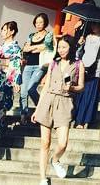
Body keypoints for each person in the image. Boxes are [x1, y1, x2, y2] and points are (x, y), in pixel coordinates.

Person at [34, 35, 85, 185]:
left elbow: (81, 86)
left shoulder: (78, 64)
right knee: (45, 142)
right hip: (48, 101)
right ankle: (43, 178)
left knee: (63, 143)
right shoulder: (53, 64)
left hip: (65, 102)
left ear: (71, 47)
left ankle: (55, 160)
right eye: (59, 47)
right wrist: (37, 109)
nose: (61, 50)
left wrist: (72, 87)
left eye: (64, 47)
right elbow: (46, 86)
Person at [74, 21, 100, 128]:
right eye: (93, 24)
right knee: (79, 96)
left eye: (97, 24)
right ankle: (78, 119)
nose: (94, 26)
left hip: (95, 71)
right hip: (82, 69)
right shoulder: (86, 37)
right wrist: (79, 44)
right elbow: (77, 54)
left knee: (89, 97)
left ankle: (83, 121)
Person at [20, 12, 54, 123]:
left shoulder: (48, 35)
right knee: (24, 91)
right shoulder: (31, 36)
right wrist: (36, 48)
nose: (38, 24)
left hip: (40, 65)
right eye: (37, 22)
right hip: (28, 65)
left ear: (45, 23)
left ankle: (41, 111)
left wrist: (32, 48)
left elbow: (45, 47)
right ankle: (23, 115)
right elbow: (25, 48)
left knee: (31, 88)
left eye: (41, 22)